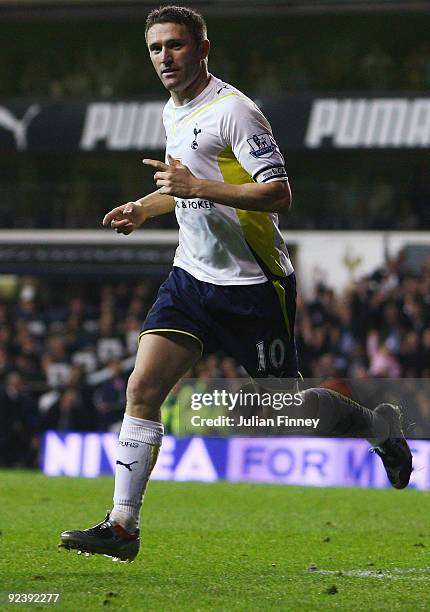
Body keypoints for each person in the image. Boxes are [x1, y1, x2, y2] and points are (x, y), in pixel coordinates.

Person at [60, 5, 412, 562]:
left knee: (287, 413)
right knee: (142, 388)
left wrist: (193, 182)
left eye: (175, 45)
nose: (164, 58)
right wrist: (144, 209)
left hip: (253, 284)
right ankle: (122, 527)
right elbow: (183, 188)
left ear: (203, 49)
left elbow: (278, 195)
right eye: (155, 48)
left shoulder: (236, 112)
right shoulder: (174, 111)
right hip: (191, 277)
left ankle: (377, 426)